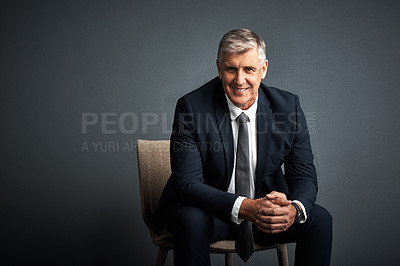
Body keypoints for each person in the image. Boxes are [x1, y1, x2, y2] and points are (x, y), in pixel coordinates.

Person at [152, 28, 332, 266]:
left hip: (263, 216)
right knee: (190, 220)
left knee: (318, 219)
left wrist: (294, 209)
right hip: (209, 213)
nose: (239, 80)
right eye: (231, 69)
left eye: (249, 69)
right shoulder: (192, 108)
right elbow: (187, 184)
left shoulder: (288, 108)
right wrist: (244, 207)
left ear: (263, 69)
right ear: (219, 69)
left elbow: (304, 176)